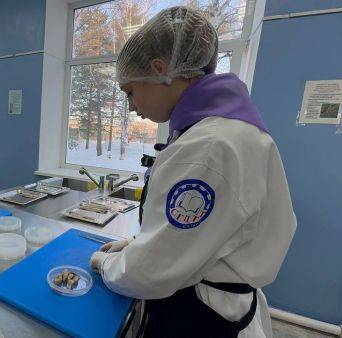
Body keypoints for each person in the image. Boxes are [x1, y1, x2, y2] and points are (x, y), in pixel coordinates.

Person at [88, 7, 296, 338]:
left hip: (203, 317)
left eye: (130, 91)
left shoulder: (209, 148)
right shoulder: (222, 129)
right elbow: (204, 234)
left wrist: (109, 265)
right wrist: (136, 243)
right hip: (213, 298)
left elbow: (154, 270)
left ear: (160, 70)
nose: (130, 106)